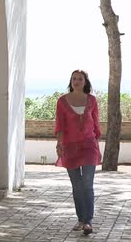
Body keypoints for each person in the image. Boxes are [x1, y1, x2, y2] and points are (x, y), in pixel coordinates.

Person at [54, 70, 102, 236]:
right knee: (77, 185)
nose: (76, 81)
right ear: (71, 81)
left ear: (85, 82)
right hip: (69, 146)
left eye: (80, 79)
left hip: (89, 146)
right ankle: (81, 219)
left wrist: (98, 147)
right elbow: (60, 125)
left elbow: (96, 126)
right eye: (74, 78)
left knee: (87, 183)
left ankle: (88, 221)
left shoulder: (92, 100)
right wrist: (59, 143)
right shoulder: (62, 101)